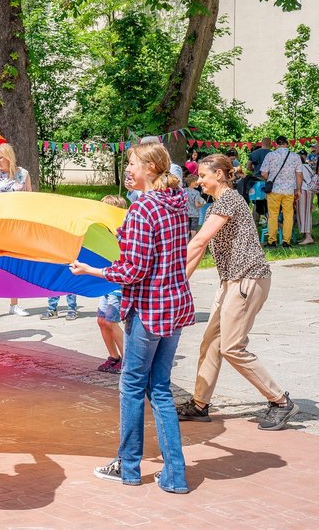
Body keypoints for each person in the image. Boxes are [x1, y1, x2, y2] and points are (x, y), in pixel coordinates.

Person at [70, 141, 193, 494]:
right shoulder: (176, 203)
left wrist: (91, 270)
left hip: (149, 310)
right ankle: (174, 474)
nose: (128, 169)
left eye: (133, 163)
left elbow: (133, 270)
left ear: (151, 169)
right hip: (175, 306)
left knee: (132, 386)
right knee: (161, 389)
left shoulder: (143, 209)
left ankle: (128, 466)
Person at [183, 154, 300, 430]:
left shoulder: (229, 200)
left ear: (220, 175)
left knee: (232, 347)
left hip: (247, 279)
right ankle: (199, 405)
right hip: (231, 281)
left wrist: (170, 278)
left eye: (203, 175)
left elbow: (199, 241)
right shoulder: (217, 204)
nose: (199, 181)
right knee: (211, 342)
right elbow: (199, 249)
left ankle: (280, 401)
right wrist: (180, 280)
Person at [0, 143, 32, 319]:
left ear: (8, 157)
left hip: (16, 225)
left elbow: (30, 199)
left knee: (15, 263)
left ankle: (14, 304)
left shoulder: (23, 174)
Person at [94, 193, 129, 374]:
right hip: (106, 284)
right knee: (101, 321)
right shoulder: (101, 234)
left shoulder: (123, 233)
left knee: (111, 322)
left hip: (117, 287)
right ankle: (113, 357)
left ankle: (127, 362)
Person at [260, 135, 301, 248]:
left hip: (274, 190)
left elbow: (263, 173)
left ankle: (272, 241)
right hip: (289, 190)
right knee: (288, 215)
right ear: (287, 144)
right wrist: (298, 189)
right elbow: (299, 174)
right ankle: (286, 242)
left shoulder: (270, 155)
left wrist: (270, 180)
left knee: (273, 215)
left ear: (276, 144)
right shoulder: (295, 156)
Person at [247, 137, 274, 223]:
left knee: (257, 201)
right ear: (270, 143)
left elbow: (248, 166)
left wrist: (254, 170)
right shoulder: (273, 154)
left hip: (256, 179)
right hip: (268, 179)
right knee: (269, 201)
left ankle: (254, 222)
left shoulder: (254, 153)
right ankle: (270, 221)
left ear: (261, 143)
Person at [295, 151, 317, 245]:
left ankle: (308, 237)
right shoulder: (307, 166)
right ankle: (306, 236)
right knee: (306, 213)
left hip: (303, 190)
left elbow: (299, 179)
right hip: (309, 191)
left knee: (303, 214)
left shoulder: (300, 168)